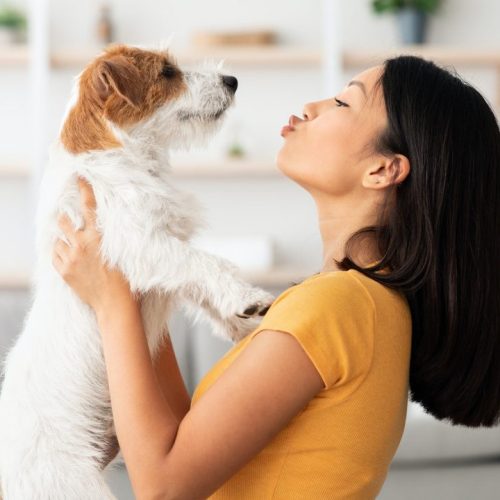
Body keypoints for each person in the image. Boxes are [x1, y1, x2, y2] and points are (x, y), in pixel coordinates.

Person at [52, 55, 500, 499]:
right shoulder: (364, 304)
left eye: (344, 104)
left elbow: (163, 485)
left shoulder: (336, 306)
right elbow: (191, 447)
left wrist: (113, 305)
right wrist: (138, 271)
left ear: (383, 169)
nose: (310, 106)